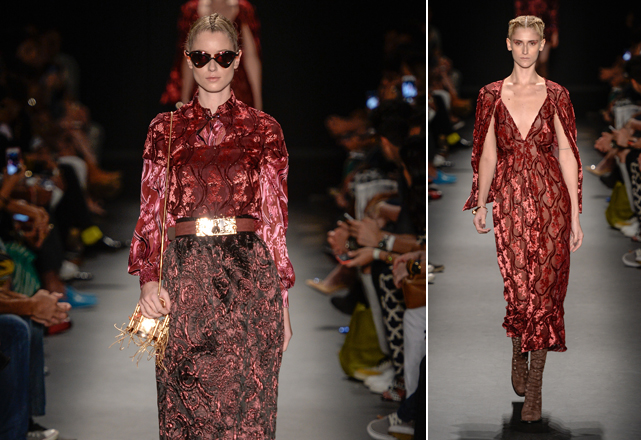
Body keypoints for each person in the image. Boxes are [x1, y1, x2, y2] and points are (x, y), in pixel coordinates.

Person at [128, 13, 294, 439]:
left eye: (222, 56)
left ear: (237, 60)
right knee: (185, 404)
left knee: (248, 408)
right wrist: (149, 280)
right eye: (202, 57)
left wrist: (283, 303)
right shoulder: (164, 129)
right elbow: (152, 209)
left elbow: (274, 220)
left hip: (249, 276)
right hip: (186, 276)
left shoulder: (265, 129)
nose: (212, 66)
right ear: (188, 60)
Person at [463, 15, 583, 423]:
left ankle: (536, 387)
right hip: (511, 198)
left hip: (551, 200)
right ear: (508, 44)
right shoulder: (491, 95)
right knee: (518, 285)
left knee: (546, 291)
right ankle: (518, 344)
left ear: (543, 45)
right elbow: (487, 153)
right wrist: (481, 202)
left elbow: (567, 152)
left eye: (533, 42)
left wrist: (575, 214)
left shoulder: (558, 94)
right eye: (520, 42)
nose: (527, 49)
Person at [161, 0, 262, 110]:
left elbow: (251, 57)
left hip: (236, 90)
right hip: (201, 90)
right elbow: (187, 58)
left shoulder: (242, 10)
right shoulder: (192, 10)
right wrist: (184, 98)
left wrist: (258, 102)